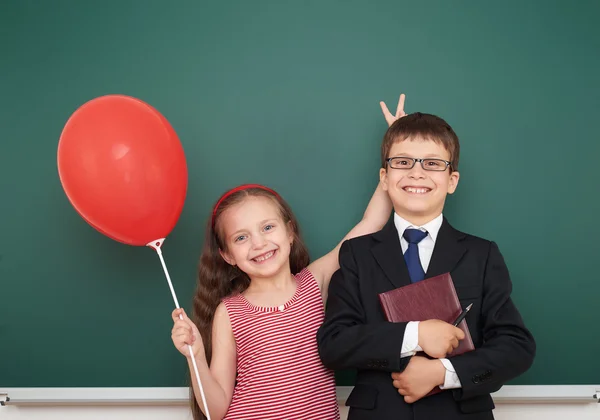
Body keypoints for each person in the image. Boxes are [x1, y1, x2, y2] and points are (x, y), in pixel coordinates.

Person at [169, 94, 408, 419]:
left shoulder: (316, 281)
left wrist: (397, 153)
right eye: (241, 237)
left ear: (290, 231)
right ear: (227, 255)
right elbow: (216, 408)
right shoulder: (231, 312)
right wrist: (195, 354)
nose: (259, 243)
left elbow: (371, 223)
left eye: (267, 227)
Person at [317, 111, 536, 420]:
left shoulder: (481, 254)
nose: (417, 173)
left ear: (452, 181)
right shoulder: (357, 254)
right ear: (384, 178)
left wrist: (444, 372)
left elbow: (516, 346)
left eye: (432, 163)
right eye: (403, 162)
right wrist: (415, 335)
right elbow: (335, 345)